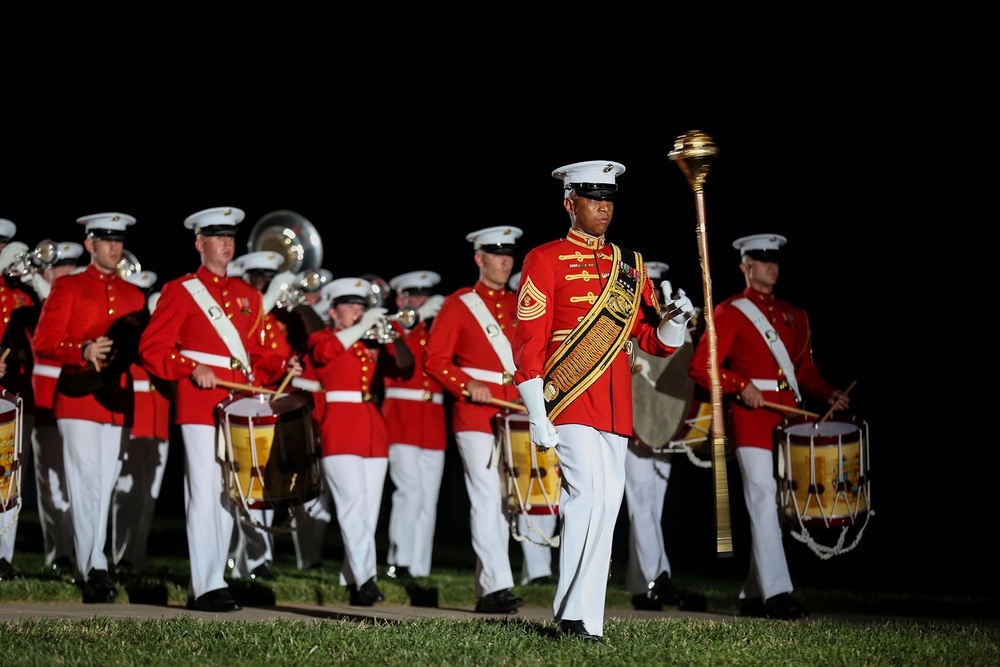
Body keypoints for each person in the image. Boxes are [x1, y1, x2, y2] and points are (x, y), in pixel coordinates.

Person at [511, 160, 695, 642]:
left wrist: (676, 322)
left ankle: (584, 618)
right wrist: (535, 411)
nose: (603, 209)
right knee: (587, 497)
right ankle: (572, 614)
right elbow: (529, 341)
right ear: (570, 203)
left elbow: (651, 342)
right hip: (568, 398)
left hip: (615, 406)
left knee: (606, 505)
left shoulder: (630, 267)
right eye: (594, 200)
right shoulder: (544, 258)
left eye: (609, 200)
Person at [138, 206, 301, 613]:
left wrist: (285, 364)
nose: (226, 243)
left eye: (230, 236)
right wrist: (191, 367)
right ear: (199, 242)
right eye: (217, 235)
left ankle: (215, 582)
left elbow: (263, 351)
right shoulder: (181, 290)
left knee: (231, 494)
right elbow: (152, 350)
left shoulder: (248, 296)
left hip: (238, 405)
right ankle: (205, 584)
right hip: (198, 406)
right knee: (205, 493)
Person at [688, 232, 850, 620]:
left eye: (774, 260)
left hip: (790, 417)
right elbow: (701, 367)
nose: (771, 266)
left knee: (777, 506)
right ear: (745, 267)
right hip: (750, 419)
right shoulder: (728, 312)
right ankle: (777, 593)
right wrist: (739, 386)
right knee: (761, 497)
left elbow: (804, 372)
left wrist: (828, 394)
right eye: (761, 261)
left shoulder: (796, 315)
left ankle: (751, 593)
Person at [32, 212, 148, 603]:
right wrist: (80, 349)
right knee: (85, 481)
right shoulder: (68, 287)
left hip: (116, 401)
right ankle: (94, 567)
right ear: (90, 244)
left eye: (119, 240)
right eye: (106, 239)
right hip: (78, 397)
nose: (115, 247)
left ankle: (91, 564)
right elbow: (44, 343)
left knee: (103, 486)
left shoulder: (134, 296)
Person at [423, 227, 525, 615]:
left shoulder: (521, 303)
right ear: (479, 258)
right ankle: (499, 585)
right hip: (475, 416)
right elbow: (435, 359)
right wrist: (466, 383)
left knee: (504, 502)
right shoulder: (459, 304)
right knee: (485, 497)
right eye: (497, 254)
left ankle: (488, 590)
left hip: (515, 411)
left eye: (509, 255)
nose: (505, 261)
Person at [294, 276, 413, 606]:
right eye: (350, 306)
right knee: (352, 508)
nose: (358, 311)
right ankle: (365, 580)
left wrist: (392, 335)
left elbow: (405, 367)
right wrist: (363, 328)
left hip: (373, 428)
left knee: (368, 513)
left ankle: (352, 577)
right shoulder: (323, 337)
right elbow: (324, 355)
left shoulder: (370, 340)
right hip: (340, 427)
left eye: (362, 306)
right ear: (333, 312)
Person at [623, 260, 707, 612]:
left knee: (650, 507)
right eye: (650, 289)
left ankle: (642, 587)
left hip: (662, 426)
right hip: (630, 427)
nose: (654, 295)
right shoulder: (627, 322)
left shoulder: (668, 326)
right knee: (642, 502)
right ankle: (659, 578)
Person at [222, 250, 299, 582]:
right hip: (239, 399)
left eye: (269, 278)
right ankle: (250, 560)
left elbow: (272, 355)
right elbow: (240, 343)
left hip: (266, 402)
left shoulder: (275, 318)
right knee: (242, 481)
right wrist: (266, 299)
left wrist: (287, 365)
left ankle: (255, 559)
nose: (265, 283)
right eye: (258, 277)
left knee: (264, 483)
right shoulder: (241, 310)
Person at [381, 270, 446, 581]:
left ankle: (420, 565)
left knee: (428, 497)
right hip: (401, 417)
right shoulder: (393, 326)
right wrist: (417, 316)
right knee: (410, 491)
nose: (420, 300)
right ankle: (400, 559)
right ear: (400, 298)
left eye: (424, 294)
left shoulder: (433, 328)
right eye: (414, 295)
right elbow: (397, 353)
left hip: (431, 418)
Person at [29, 241, 85, 577]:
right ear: (46, 272)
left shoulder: (72, 299)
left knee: (80, 480)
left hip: (76, 397)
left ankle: (83, 551)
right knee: (50, 481)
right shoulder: (38, 303)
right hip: (44, 398)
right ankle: (58, 551)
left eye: (69, 268)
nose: (62, 275)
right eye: (57, 269)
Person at [111, 263, 170, 576]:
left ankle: (136, 556)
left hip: (159, 425)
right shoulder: (127, 329)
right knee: (126, 495)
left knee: (148, 497)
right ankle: (122, 557)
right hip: (134, 422)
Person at [506, 269, 557, 587]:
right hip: (518, 406)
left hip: (547, 403)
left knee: (549, 487)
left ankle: (539, 567)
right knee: (529, 489)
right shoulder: (512, 320)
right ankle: (536, 568)